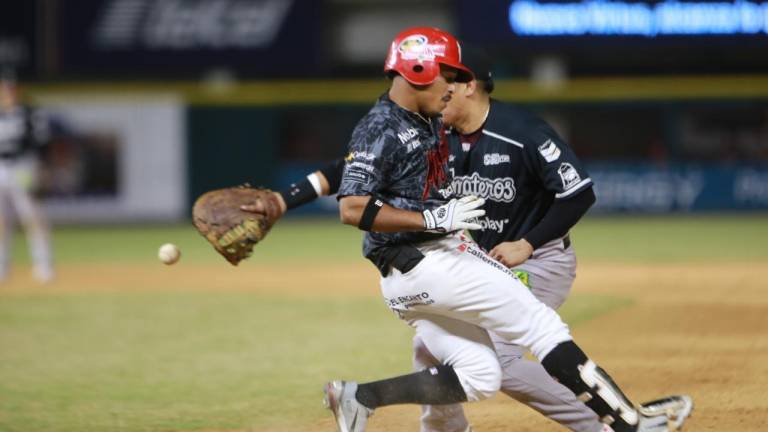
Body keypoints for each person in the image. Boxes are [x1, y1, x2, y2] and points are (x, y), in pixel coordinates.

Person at [246, 28, 691, 432]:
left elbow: (579, 193)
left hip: (530, 259)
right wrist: (287, 198)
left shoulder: (519, 132)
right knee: (479, 356)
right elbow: (350, 175)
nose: (444, 92)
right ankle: (622, 426)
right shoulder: (422, 127)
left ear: (468, 85)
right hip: (444, 262)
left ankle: (612, 424)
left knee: (473, 360)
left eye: (451, 81)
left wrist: (527, 242)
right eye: (441, 79)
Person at [0, 70, 54, 283]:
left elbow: (42, 143)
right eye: (5, 89)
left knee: (32, 216)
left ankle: (44, 265)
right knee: (1, 220)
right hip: (0, 167)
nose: (8, 93)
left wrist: (42, 169)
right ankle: (2, 267)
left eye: (11, 89)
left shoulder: (29, 112)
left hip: (24, 167)